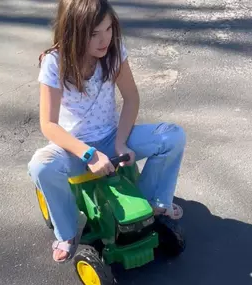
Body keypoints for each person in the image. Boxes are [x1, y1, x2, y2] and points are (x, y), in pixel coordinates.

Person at [28, 0, 186, 263]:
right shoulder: (55, 63)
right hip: (74, 147)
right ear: (73, 31)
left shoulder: (113, 52)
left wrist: (122, 142)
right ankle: (66, 233)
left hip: (112, 136)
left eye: (109, 29)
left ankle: (153, 205)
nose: (104, 40)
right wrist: (88, 154)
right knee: (40, 167)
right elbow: (49, 125)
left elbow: (131, 98)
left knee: (172, 136)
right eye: (94, 33)